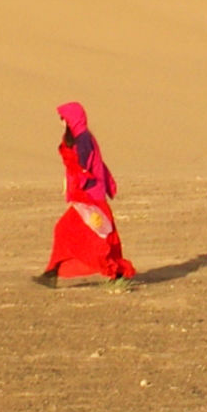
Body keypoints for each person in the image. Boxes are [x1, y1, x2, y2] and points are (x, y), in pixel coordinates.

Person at [36, 101, 136, 285]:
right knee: (92, 234)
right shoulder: (81, 137)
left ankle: (53, 273)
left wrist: (77, 184)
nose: (61, 122)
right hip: (89, 197)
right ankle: (53, 273)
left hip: (89, 198)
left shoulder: (82, 139)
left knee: (75, 232)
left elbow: (82, 166)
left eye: (63, 118)